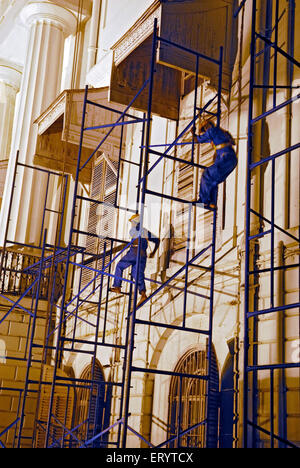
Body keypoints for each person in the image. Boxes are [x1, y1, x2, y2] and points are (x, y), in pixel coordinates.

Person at [111, 213, 160, 306]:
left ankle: (117, 286)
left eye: (133, 222)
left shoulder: (136, 229)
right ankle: (143, 294)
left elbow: (155, 240)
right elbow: (157, 240)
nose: (131, 224)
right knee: (137, 274)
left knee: (119, 266)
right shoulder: (144, 231)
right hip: (142, 255)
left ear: (136, 222)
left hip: (134, 252)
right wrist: (153, 252)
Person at [193, 119, 237, 210]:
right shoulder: (222, 133)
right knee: (214, 180)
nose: (205, 132)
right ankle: (212, 203)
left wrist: (193, 133)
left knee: (207, 174)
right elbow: (232, 142)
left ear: (207, 127)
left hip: (226, 158)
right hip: (231, 160)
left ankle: (203, 201)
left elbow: (198, 139)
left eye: (204, 130)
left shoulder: (212, 130)